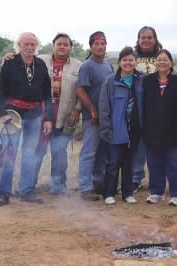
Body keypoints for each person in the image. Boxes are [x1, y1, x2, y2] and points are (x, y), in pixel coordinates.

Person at [0, 32, 52, 206]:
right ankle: (4, 193)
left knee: (29, 154)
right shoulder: (10, 63)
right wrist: (1, 113)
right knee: (8, 154)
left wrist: (47, 118)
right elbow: (1, 90)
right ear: (18, 45)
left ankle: (26, 191)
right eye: (26, 44)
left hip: (34, 116)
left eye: (33, 44)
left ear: (36, 46)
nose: (29, 47)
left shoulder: (40, 65)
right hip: (12, 116)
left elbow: (47, 94)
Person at [143, 49, 177, 207]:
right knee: (154, 163)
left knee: (174, 164)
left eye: (165, 60)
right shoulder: (148, 80)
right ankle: (156, 192)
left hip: (175, 130)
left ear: (171, 63)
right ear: (155, 63)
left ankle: (176, 193)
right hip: (152, 130)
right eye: (159, 60)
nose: (162, 62)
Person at [33, 33, 82, 195]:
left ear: (70, 48)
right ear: (53, 45)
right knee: (37, 150)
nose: (62, 47)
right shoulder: (39, 60)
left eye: (66, 44)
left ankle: (58, 187)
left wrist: (77, 108)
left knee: (59, 153)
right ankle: (28, 185)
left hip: (66, 117)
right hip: (41, 116)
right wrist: (9, 56)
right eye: (59, 44)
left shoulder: (78, 66)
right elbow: (20, 62)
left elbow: (83, 90)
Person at [99, 46, 145, 204]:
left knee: (129, 162)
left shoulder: (142, 79)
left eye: (131, 59)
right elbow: (104, 106)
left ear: (135, 62)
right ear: (119, 62)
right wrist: (106, 128)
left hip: (136, 128)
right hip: (116, 128)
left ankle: (127, 193)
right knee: (113, 162)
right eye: (125, 60)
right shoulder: (111, 81)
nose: (128, 62)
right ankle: (109, 193)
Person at [75, 31, 114, 201]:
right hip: (91, 117)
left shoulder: (108, 65)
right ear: (91, 46)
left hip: (106, 117)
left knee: (103, 153)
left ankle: (98, 184)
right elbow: (80, 90)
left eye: (103, 43)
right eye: (97, 44)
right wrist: (92, 110)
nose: (100, 46)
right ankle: (85, 187)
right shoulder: (87, 66)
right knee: (89, 152)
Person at [131, 26, 163, 192]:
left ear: (155, 39)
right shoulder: (133, 57)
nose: (146, 40)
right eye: (143, 37)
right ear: (138, 39)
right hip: (136, 106)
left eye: (149, 37)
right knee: (137, 145)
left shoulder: (161, 57)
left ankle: (158, 181)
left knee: (158, 145)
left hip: (157, 106)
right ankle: (136, 179)